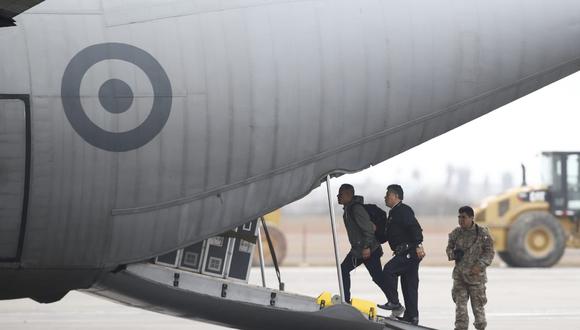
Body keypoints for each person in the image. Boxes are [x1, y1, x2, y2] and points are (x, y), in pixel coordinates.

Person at [378, 184, 425, 325]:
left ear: (395, 196)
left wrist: (418, 245)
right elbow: (388, 235)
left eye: (387, 195)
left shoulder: (404, 210)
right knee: (409, 285)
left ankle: (394, 302)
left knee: (388, 270)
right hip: (404, 251)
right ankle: (412, 317)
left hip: (409, 251)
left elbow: (415, 228)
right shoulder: (393, 213)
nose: (385, 198)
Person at [337, 184, 389, 304]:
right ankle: (345, 300)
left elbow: (369, 230)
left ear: (348, 195)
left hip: (369, 250)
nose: (338, 197)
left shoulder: (356, 209)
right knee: (343, 269)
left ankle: (395, 302)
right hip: (358, 250)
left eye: (340, 194)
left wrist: (366, 247)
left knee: (378, 278)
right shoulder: (348, 209)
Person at [446, 206, 494, 330]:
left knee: (478, 311)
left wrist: (480, 265)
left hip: (476, 278)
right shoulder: (456, 233)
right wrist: (453, 254)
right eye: (459, 217)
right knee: (460, 310)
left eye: (464, 217)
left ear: (472, 218)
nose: (461, 220)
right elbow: (449, 248)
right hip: (460, 277)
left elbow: (489, 252)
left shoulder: (482, 233)